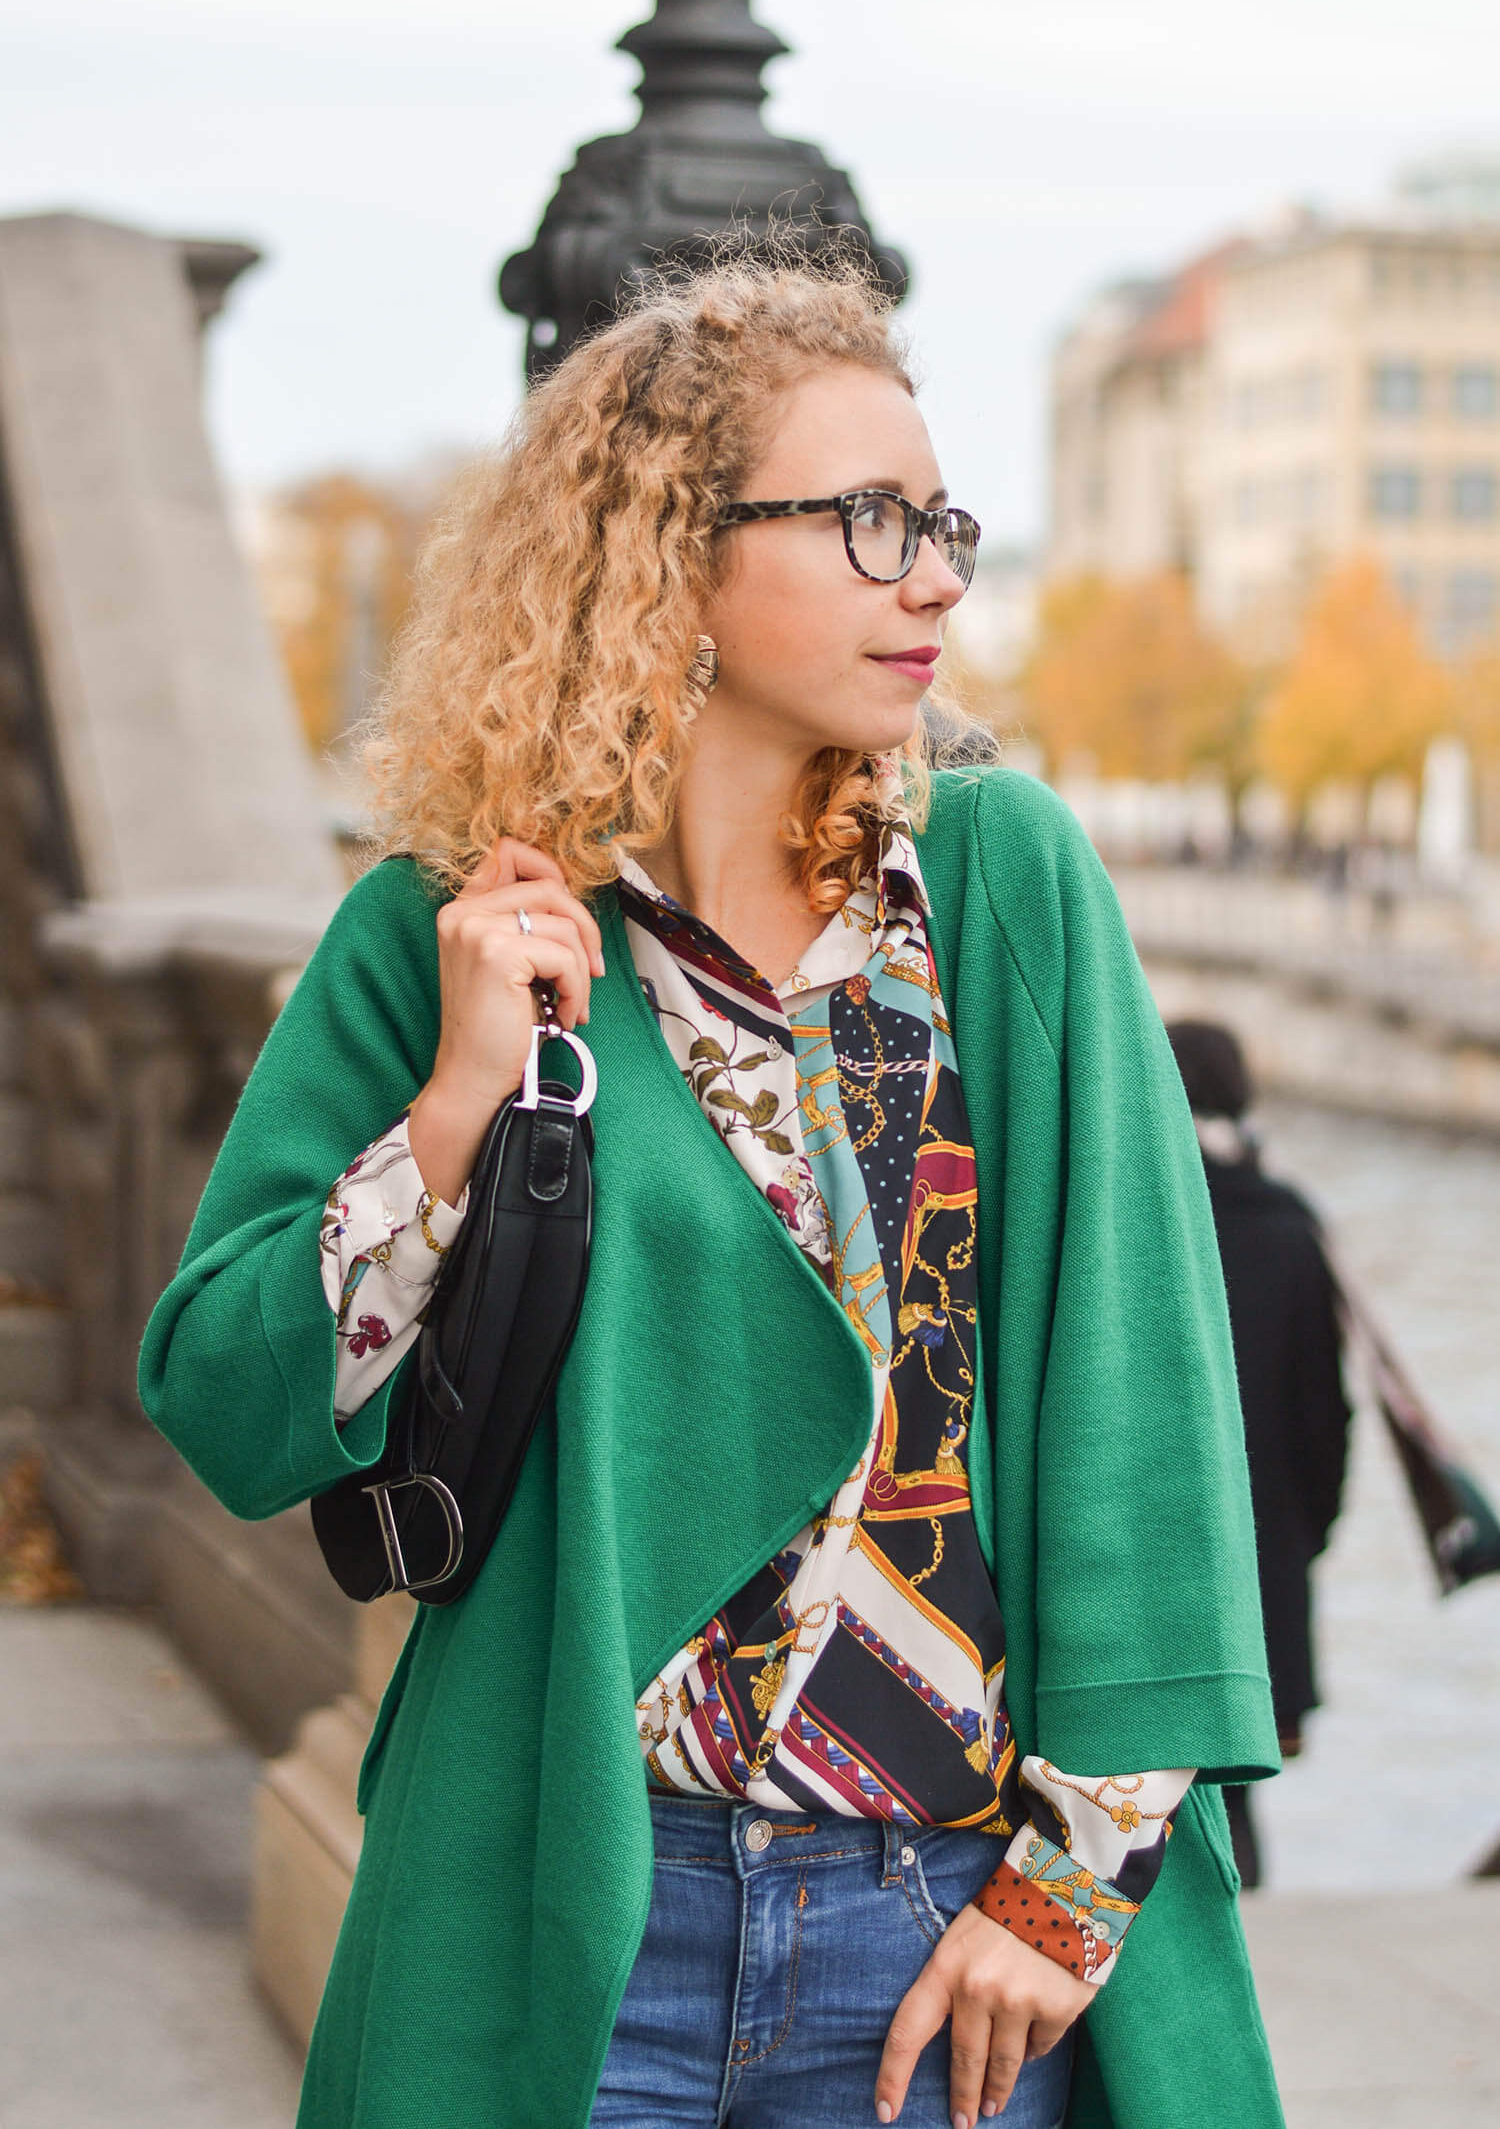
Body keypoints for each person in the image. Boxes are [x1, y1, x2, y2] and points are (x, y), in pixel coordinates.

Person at [139, 245, 1281, 2129]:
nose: (935, 573)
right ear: (668, 554)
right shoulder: (447, 927)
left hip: (940, 1930)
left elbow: (1148, 1406)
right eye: (865, 519)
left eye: (942, 520)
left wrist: (1068, 1900)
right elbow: (233, 1403)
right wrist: (449, 1113)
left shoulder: (995, 886)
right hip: (569, 1904)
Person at [1165, 1020, 1353, 1889]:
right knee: (1238, 1796)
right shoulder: (1291, 1226)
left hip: (1154, 1547)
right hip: (1263, 1559)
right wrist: (1300, 1542)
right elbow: (1327, 1420)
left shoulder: (1138, 1213)